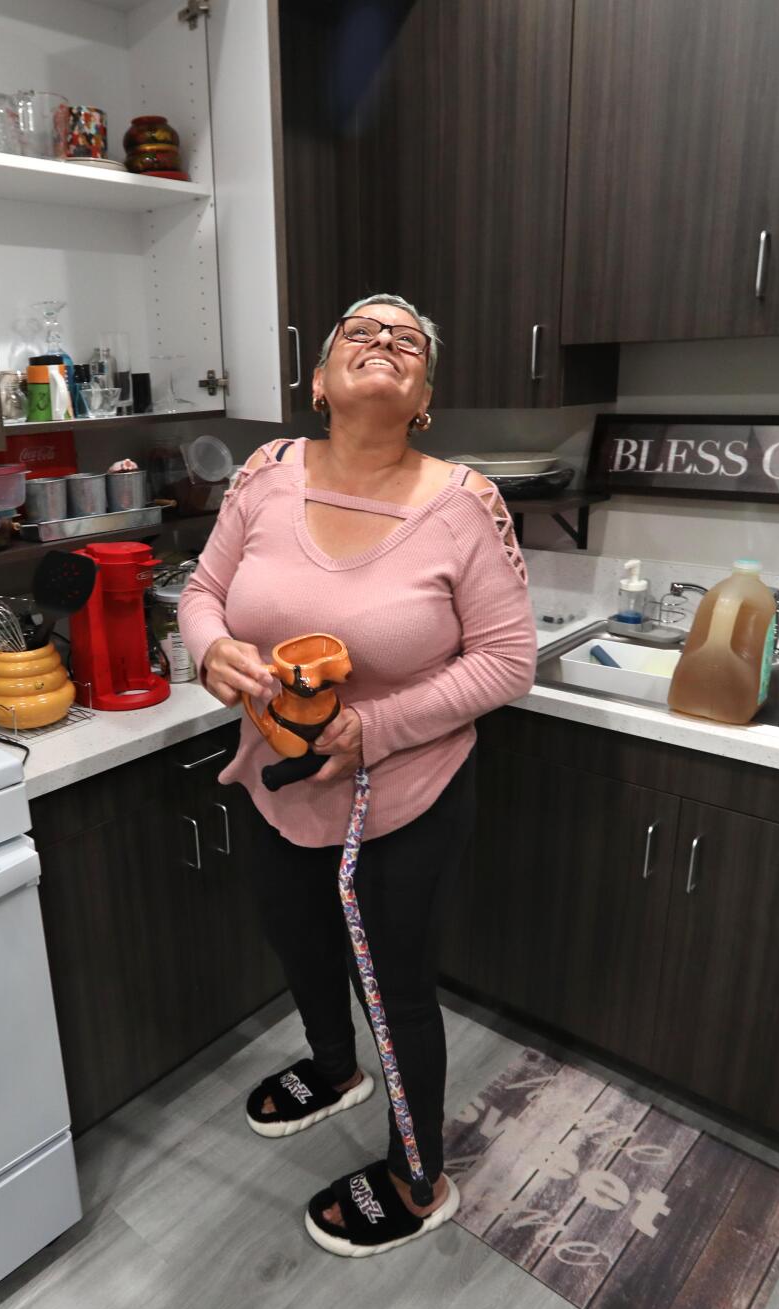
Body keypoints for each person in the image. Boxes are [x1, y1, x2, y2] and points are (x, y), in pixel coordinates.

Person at [178, 294, 537, 1257]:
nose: (384, 343)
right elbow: (203, 591)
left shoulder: (463, 502)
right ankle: (333, 1069)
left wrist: (372, 727)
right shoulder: (265, 476)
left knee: (397, 988)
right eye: (360, 335)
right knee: (299, 942)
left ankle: (417, 1179)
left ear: (424, 395)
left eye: (408, 339)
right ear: (320, 379)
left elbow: (507, 662)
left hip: (403, 795)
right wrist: (210, 650)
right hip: (272, 777)